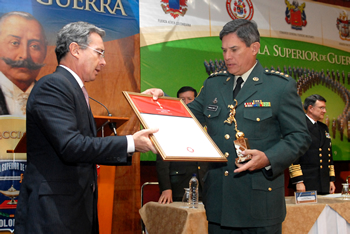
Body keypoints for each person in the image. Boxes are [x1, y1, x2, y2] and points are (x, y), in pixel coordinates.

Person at [146, 19, 311, 233]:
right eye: (224, 50)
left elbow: (299, 135)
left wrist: (269, 158)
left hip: (260, 204)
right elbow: (186, 116)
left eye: (234, 49)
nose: (227, 57)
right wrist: (160, 100)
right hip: (220, 203)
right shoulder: (214, 84)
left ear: (254, 48)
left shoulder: (278, 87)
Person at [14, 21, 158, 234]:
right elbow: (72, 146)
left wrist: (143, 108)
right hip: (53, 214)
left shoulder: (73, 89)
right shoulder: (53, 86)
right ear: (75, 50)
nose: (104, 62)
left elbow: (88, 144)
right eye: (99, 53)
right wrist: (130, 142)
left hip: (75, 209)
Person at [156, 86, 208, 203]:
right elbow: (162, 160)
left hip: (205, 187)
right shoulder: (169, 125)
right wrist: (166, 188)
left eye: (190, 99)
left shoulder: (207, 123)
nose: (186, 103)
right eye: (182, 99)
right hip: (179, 187)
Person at [0, 11, 47, 116]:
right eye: (14, 43)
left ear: (45, 52)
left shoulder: (53, 98)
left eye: (34, 46)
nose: (25, 55)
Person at [289, 94, 335, 195]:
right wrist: (299, 181)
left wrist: (331, 180)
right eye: (321, 108)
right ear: (310, 108)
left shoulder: (323, 128)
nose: (324, 111)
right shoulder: (299, 126)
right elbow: (293, 156)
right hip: (306, 182)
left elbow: (328, 155)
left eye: (325, 108)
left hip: (324, 182)